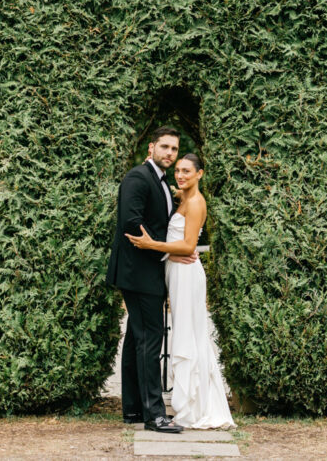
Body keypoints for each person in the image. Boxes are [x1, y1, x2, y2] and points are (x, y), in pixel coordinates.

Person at [126, 153, 236, 430]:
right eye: (178, 171)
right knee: (185, 331)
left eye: (187, 171)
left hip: (187, 274)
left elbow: (188, 247)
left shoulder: (197, 203)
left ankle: (195, 408)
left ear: (200, 174)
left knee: (188, 333)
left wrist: (153, 246)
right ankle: (189, 403)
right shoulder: (181, 197)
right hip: (175, 272)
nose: (181, 175)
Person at [106, 126, 191, 433]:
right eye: (165, 147)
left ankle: (133, 410)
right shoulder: (138, 177)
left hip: (145, 270)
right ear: (152, 147)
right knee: (150, 339)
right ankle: (155, 415)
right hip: (139, 272)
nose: (170, 153)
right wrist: (167, 252)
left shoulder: (161, 181)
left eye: (174, 148)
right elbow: (131, 222)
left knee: (137, 339)